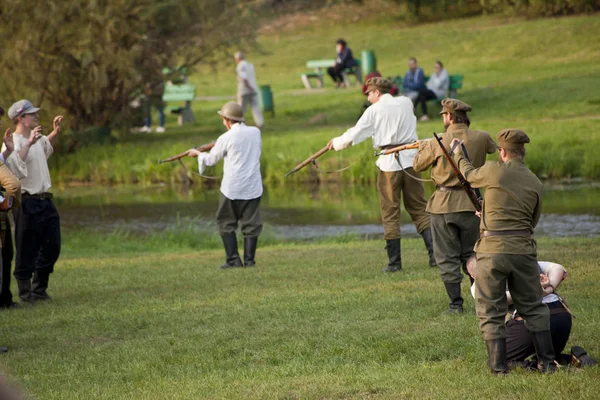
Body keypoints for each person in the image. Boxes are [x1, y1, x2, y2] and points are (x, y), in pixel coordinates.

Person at [450, 129, 556, 374]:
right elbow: (531, 221)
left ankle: (498, 368)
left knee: (491, 311)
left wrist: (458, 154)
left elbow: (468, 175)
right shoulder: (534, 181)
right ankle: (547, 364)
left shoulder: (492, 169)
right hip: (522, 249)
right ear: (523, 152)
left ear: (502, 152)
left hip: (492, 250)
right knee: (534, 307)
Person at [327, 77, 435, 272]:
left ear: (377, 92)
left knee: (390, 212)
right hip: (412, 161)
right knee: (420, 208)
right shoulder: (406, 102)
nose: (368, 98)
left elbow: (354, 134)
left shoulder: (374, 110)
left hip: (389, 164)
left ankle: (394, 263)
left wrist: (335, 143)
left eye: (369, 93)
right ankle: (435, 256)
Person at [413, 99, 496, 313]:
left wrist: (423, 146)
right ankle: (481, 300)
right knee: (473, 253)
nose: (443, 118)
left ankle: (456, 305)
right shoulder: (482, 137)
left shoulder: (437, 141)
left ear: (449, 116)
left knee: (446, 256)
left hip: (443, 205)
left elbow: (417, 165)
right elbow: (492, 149)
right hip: (472, 204)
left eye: (444, 115)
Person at [466, 257, 597, 369]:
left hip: (532, 320)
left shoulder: (478, 286)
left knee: (498, 361)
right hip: (561, 316)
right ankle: (574, 359)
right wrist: (542, 289)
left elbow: (499, 299)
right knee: (545, 354)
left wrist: (546, 289)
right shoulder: (522, 263)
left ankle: (539, 368)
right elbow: (558, 268)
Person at [187, 101, 262, 269]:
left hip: (232, 189)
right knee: (251, 225)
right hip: (253, 188)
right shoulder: (255, 132)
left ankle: (233, 260)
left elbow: (211, 160)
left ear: (227, 120)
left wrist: (198, 153)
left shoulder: (225, 138)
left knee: (226, 224)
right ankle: (250, 262)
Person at [3, 100, 63, 304]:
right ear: (21, 118)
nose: (36, 116)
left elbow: (44, 149)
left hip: (45, 200)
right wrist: (28, 144)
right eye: (32, 114)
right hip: (26, 202)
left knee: (52, 245)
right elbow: (14, 171)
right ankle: (26, 293)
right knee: (26, 247)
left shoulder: (35, 139)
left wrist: (54, 132)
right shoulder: (13, 142)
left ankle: (40, 288)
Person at [0, 107, 22, 311]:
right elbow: (12, 185)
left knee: (6, 255)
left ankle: (4, 299)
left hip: (2, 214)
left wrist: (7, 151)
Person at [234, 51, 264, 129]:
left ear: (238, 58)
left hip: (244, 90)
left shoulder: (240, 66)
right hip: (253, 89)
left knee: (241, 108)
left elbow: (244, 77)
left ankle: (239, 124)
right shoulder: (250, 65)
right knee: (255, 107)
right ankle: (260, 123)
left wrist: (248, 86)